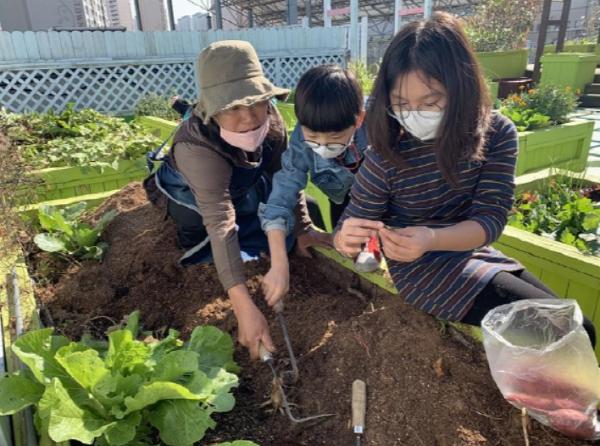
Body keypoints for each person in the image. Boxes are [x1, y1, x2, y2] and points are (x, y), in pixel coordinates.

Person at [332, 13, 596, 346]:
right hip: (421, 270)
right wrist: (345, 238)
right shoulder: (387, 151)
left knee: (579, 328)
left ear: (461, 87)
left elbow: (490, 219)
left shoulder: (495, 133)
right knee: (573, 333)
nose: (414, 114)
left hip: (471, 252)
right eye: (400, 103)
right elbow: (351, 222)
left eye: (431, 101)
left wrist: (431, 237)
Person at [143, 40, 320, 359]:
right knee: (196, 222)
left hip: (241, 181)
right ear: (213, 109)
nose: (249, 117)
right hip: (188, 191)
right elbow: (220, 222)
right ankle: (197, 254)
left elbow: (285, 181)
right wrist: (244, 306)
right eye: (233, 107)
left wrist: (303, 228)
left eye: (255, 103)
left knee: (298, 206)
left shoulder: (272, 123)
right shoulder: (196, 146)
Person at [259, 64, 369, 307]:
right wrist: (279, 264)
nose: (322, 147)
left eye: (334, 139)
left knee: (377, 247)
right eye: (313, 138)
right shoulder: (300, 143)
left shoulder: (379, 131)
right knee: (347, 243)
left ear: (359, 120)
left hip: (383, 195)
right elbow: (281, 197)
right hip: (341, 195)